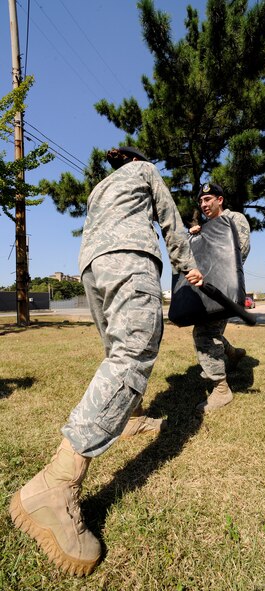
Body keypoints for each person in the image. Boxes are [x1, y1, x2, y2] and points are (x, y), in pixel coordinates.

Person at [10, 146, 203, 576]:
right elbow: (170, 221)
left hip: (92, 265)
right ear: (138, 162)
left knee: (117, 352)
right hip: (130, 258)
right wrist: (189, 266)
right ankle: (58, 482)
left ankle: (128, 418)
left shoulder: (102, 186)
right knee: (133, 354)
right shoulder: (146, 171)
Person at [190, 182, 250, 413]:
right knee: (209, 330)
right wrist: (196, 236)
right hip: (206, 286)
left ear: (219, 199)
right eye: (201, 202)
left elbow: (240, 251)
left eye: (208, 200)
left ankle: (222, 389)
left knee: (204, 333)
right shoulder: (206, 227)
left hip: (223, 286)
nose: (204, 205)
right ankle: (233, 354)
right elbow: (199, 258)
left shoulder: (235, 219)